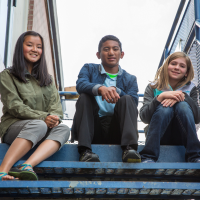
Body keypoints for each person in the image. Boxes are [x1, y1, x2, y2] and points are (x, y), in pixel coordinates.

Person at [0, 31, 70, 181]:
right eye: (30, 45)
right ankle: (2, 170)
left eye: (39, 46)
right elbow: (14, 105)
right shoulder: (7, 75)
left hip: (41, 127)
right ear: (21, 48)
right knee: (39, 125)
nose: (35, 49)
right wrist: (44, 117)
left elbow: (55, 107)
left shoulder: (48, 79)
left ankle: (26, 165)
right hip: (14, 127)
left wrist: (54, 118)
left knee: (63, 128)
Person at [71, 35, 140, 163]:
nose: (111, 53)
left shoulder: (130, 79)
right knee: (84, 97)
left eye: (115, 49)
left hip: (117, 128)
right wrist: (100, 88)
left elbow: (133, 103)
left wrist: (116, 91)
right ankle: (85, 152)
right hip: (93, 126)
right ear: (98, 54)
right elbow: (80, 85)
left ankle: (129, 149)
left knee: (127, 99)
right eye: (106, 49)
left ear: (122, 54)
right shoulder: (89, 69)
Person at [139, 52, 200, 163]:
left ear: (186, 72)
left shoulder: (191, 88)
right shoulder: (153, 86)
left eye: (182, 66)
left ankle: (195, 156)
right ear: (166, 66)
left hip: (181, 135)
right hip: (159, 135)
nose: (177, 67)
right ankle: (148, 156)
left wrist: (183, 96)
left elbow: (197, 117)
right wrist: (160, 97)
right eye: (173, 63)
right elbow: (144, 117)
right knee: (164, 107)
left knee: (182, 105)